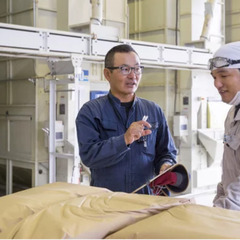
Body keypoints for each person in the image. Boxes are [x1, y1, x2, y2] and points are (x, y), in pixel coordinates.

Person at [76, 44, 177, 194]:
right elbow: (90, 156)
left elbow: (166, 152)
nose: (133, 75)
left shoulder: (153, 110)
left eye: (137, 69)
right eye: (124, 69)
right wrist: (124, 139)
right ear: (107, 74)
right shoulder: (91, 111)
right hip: (107, 202)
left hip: (146, 201)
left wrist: (165, 165)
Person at [208, 41, 240, 210]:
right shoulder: (232, 114)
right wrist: (217, 203)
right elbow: (229, 174)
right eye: (214, 77)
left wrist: (217, 214)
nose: (217, 84)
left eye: (223, 75)